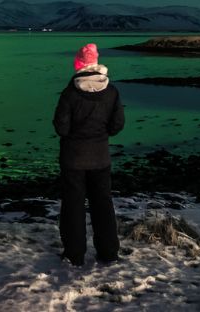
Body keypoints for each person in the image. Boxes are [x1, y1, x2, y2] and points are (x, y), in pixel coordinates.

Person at [53, 43, 125, 266]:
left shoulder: (70, 92)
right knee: (103, 204)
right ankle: (108, 253)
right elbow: (117, 125)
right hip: (100, 158)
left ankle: (74, 255)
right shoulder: (111, 92)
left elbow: (61, 127)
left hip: (73, 159)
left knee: (73, 207)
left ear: (79, 63)